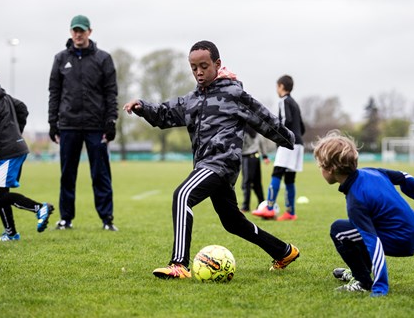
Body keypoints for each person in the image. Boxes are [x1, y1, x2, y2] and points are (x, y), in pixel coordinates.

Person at [123, 40, 300, 279]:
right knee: (233, 222)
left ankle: (179, 264)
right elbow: (165, 114)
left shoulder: (234, 94)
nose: (198, 72)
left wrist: (290, 139)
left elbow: (265, 119)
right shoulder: (192, 99)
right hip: (205, 166)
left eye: (204, 66)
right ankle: (284, 251)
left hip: (222, 163)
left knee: (183, 195)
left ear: (217, 64)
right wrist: (143, 107)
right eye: (193, 67)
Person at [312, 130, 414, 296]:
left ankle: (363, 281)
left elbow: (373, 242)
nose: (320, 170)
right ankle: (359, 271)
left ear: (330, 169)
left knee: (339, 230)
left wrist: (380, 288)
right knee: (354, 229)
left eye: (320, 166)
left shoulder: (356, 200)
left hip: (401, 239)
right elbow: (403, 177)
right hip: (411, 231)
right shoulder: (371, 171)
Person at [0, 65, 53, 241]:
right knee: (0, 194)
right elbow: (23, 109)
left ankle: (39, 208)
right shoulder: (3, 96)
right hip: (17, 149)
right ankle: (11, 233)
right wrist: (16, 132)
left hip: (10, 152)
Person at [48, 15, 119, 231]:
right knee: (67, 175)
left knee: (100, 174)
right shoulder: (60, 59)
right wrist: (53, 123)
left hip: (96, 126)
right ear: (71, 32)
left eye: (82, 30)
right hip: (68, 125)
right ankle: (65, 219)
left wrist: (111, 121)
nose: (78, 34)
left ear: (90, 31)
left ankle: (107, 220)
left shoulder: (103, 58)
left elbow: (111, 93)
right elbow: (54, 93)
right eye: (74, 30)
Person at [252, 75, 305, 221]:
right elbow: (302, 127)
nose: (277, 89)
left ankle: (269, 208)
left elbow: (284, 121)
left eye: (277, 86)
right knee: (289, 178)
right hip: (298, 143)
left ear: (281, 86)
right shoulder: (295, 103)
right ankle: (290, 212)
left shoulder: (283, 101)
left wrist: (279, 137)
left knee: (277, 173)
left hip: (288, 143)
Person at [240, 124, 270, 212]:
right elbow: (262, 142)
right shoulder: (256, 130)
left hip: (247, 158)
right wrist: (264, 156)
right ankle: (261, 203)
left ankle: (246, 206)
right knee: (257, 183)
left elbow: (241, 144)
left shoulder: (243, 130)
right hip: (256, 159)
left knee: (246, 183)